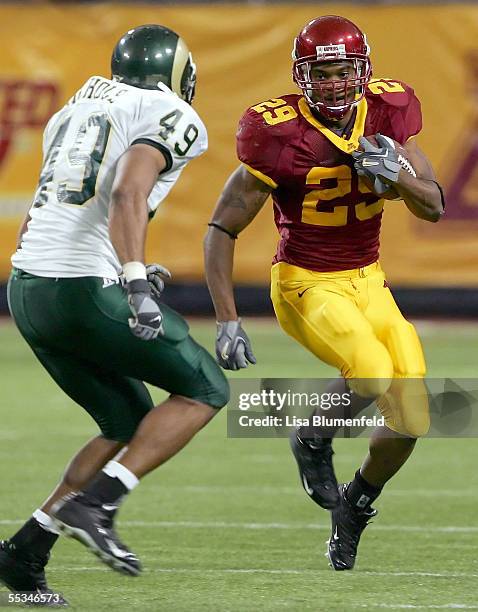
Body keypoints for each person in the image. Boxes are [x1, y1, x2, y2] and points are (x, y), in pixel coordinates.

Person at [204, 15, 444, 571]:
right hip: (304, 283)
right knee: (370, 371)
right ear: (301, 76)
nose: (334, 84)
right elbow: (221, 228)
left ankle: (357, 505)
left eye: (342, 72)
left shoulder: (390, 112)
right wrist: (226, 318)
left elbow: (432, 205)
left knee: (412, 417)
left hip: (369, 280)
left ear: (363, 71)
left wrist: (397, 172)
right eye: (321, 73)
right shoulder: (278, 131)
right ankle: (312, 436)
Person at [1, 24, 229, 603]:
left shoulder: (79, 104)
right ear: (179, 74)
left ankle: (26, 552)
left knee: (125, 422)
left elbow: (58, 205)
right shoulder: (169, 112)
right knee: (204, 388)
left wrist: (122, 262)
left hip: (27, 286)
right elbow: (129, 191)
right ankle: (97, 506)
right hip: (81, 289)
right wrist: (132, 278)